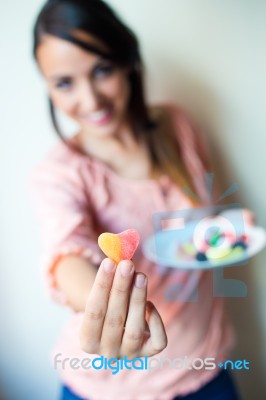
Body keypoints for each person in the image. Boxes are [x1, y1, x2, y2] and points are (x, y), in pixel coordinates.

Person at [30, 1, 253, 399]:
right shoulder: (59, 174)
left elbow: (198, 230)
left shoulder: (179, 126)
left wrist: (229, 232)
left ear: (128, 61)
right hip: (111, 386)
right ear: (47, 86)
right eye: (65, 82)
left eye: (102, 70)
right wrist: (111, 306)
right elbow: (67, 257)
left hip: (208, 365)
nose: (91, 99)